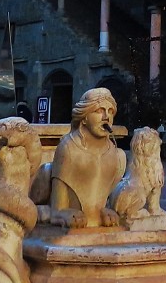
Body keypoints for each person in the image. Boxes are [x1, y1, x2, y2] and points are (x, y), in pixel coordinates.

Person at [45, 87, 126, 228]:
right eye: (99, 111)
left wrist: (103, 210)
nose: (106, 117)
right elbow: (59, 205)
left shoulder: (116, 154)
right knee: (46, 170)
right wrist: (60, 211)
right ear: (84, 118)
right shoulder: (68, 148)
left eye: (110, 111)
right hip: (67, 217)